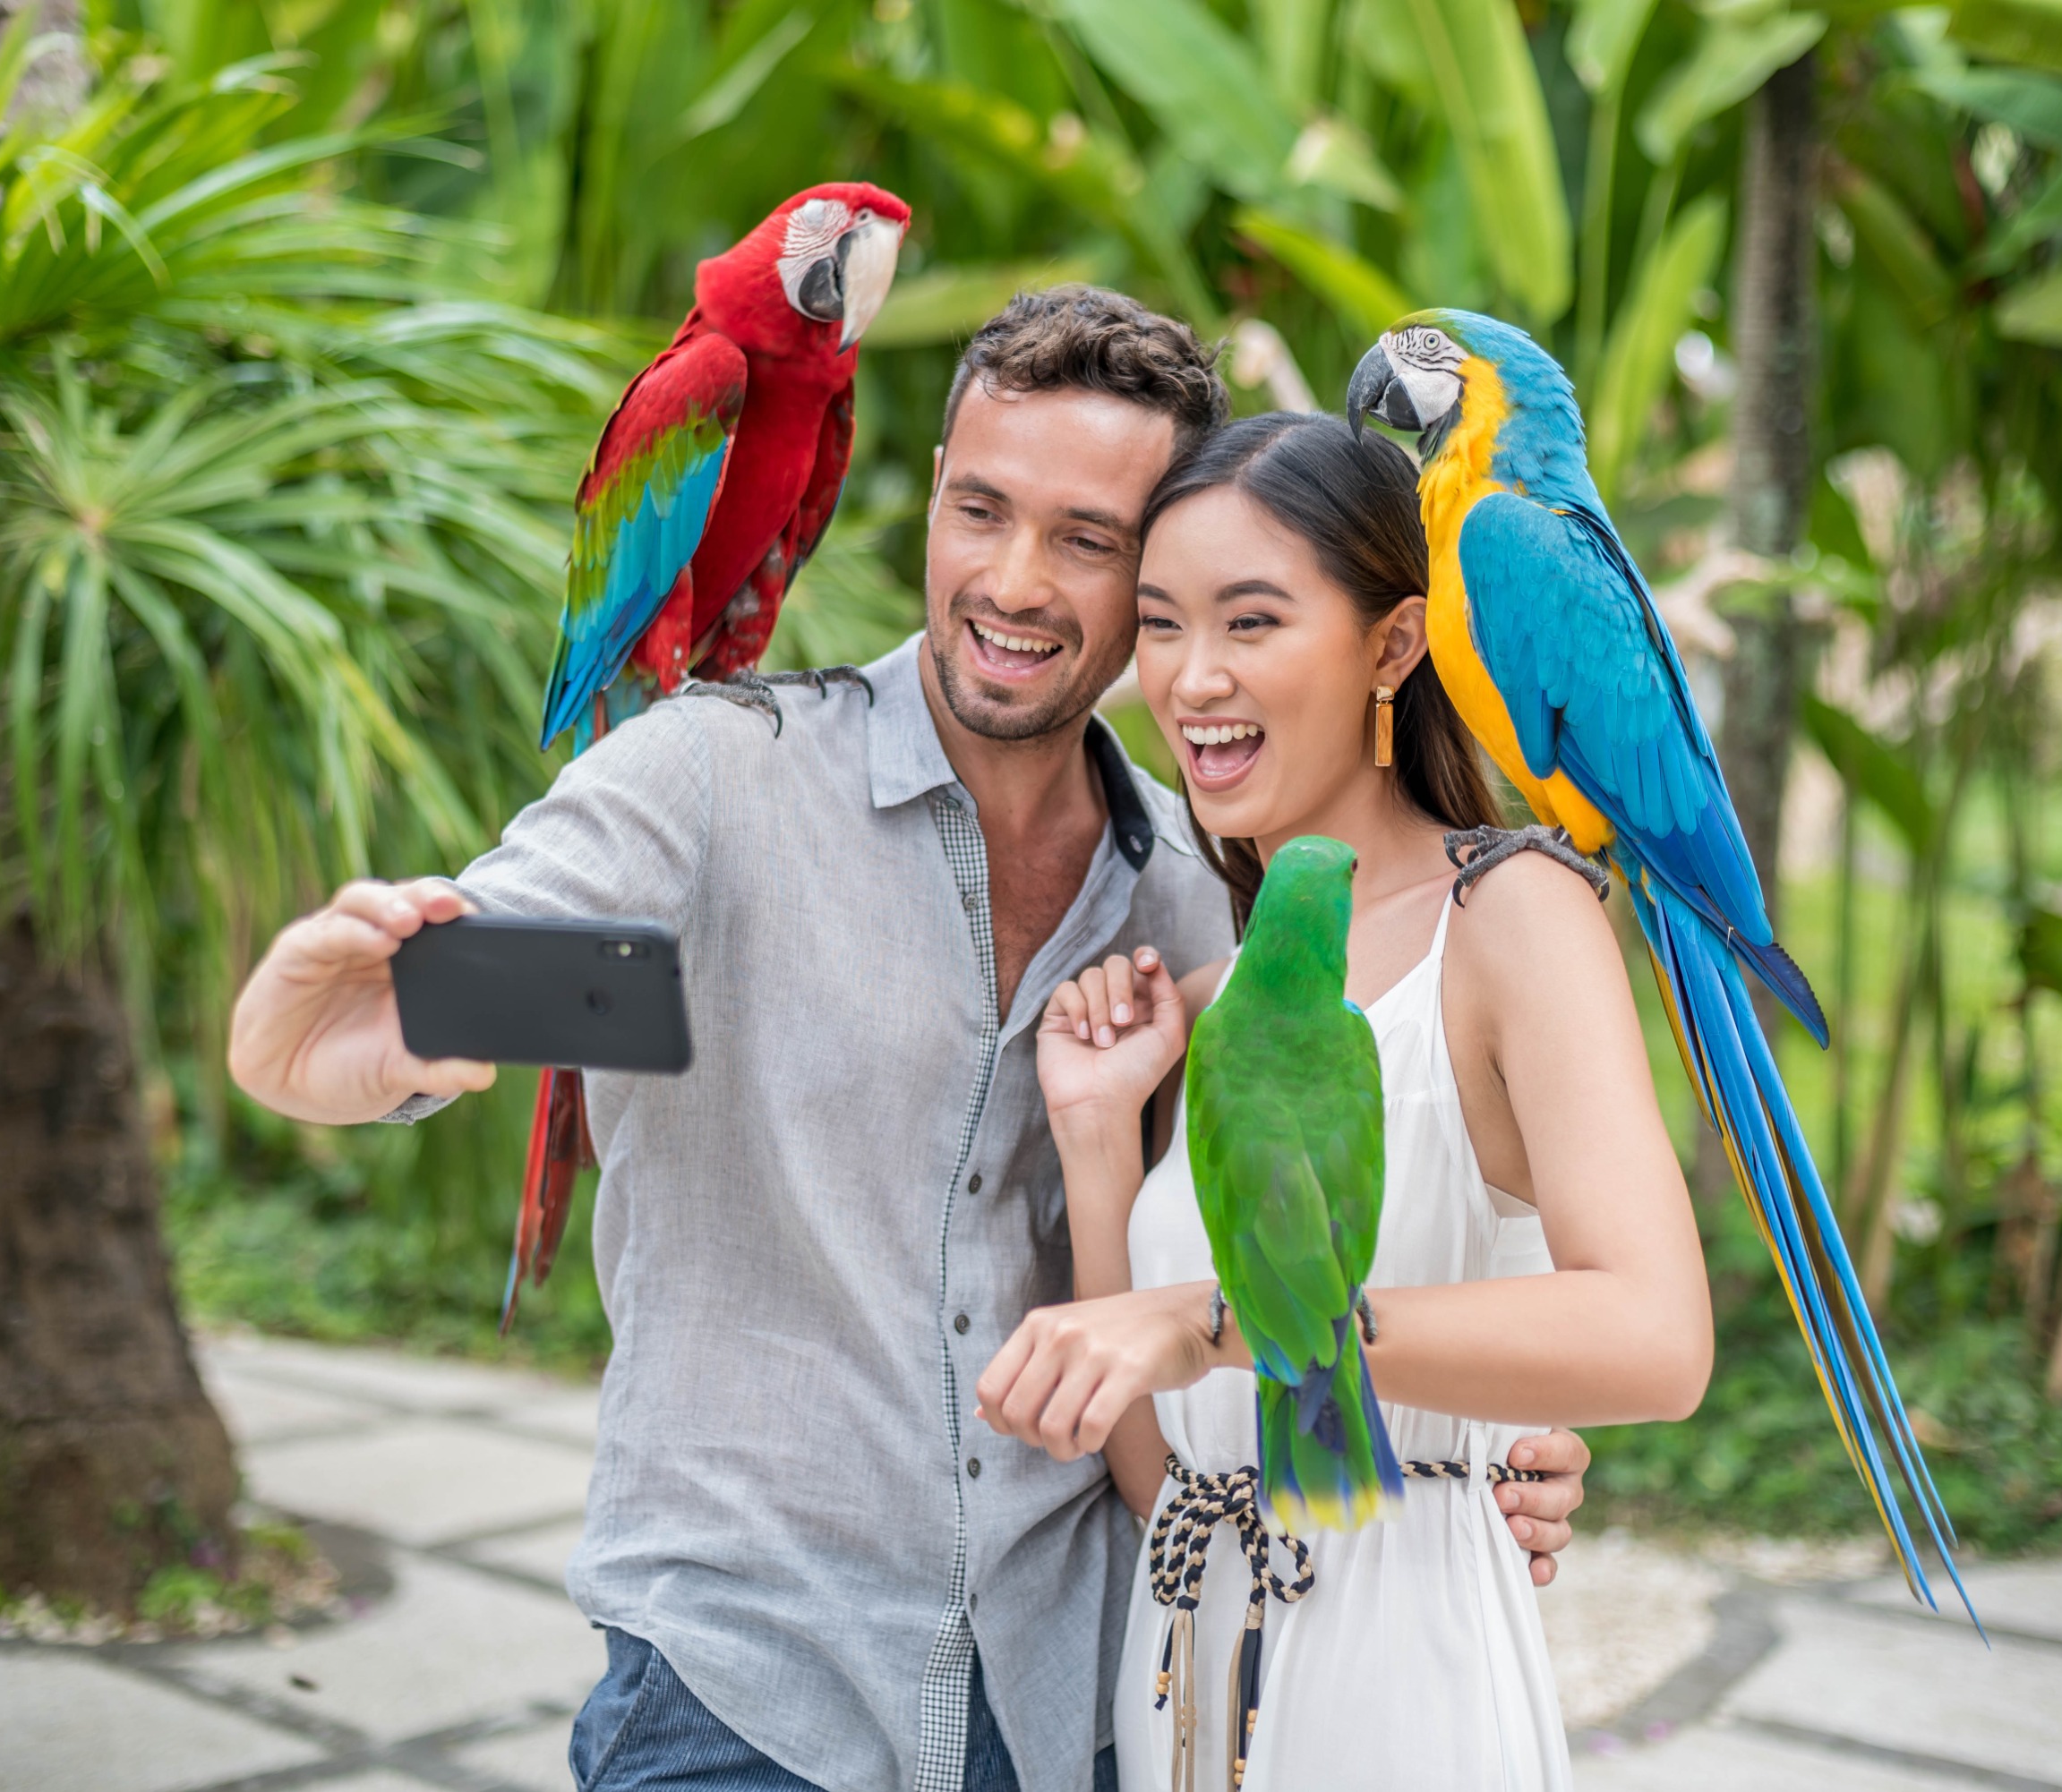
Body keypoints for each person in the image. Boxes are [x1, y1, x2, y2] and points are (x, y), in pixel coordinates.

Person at [227, 288, 1590, 1792]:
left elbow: (1270, 1263)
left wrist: (1488, 1455)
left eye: (1088, 541)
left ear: (1160, 577)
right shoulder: (719, 785)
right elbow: (484, 978)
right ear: (930, 496)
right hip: (743, 1707)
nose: (1013, 581)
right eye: (978, 508)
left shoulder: (1196, 909)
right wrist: (364, 1042)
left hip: (1070, 1710)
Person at [973, 414, 1714, 1790]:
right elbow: (1166, 1478)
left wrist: (1206, 1323)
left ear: (1392, 644)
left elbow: (1657, 1335)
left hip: (1401, 1695)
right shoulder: (1222, 991)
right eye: (1162, 625)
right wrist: (1094, 1132)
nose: (1195, 680)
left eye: (1252, 622)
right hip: (1186, 1701)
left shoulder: (1509, 917)